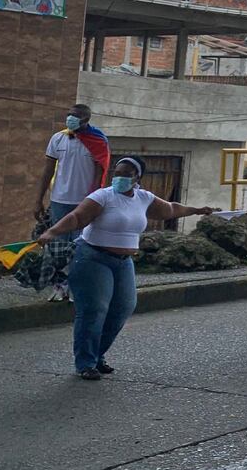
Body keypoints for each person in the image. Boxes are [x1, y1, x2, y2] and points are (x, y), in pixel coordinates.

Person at [37, 156, 215, 379]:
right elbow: (77, 218)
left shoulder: (143, 198)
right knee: (94, 310)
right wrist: (52, 232)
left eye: (126, 174)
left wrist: (197, 210)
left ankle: (97, 355)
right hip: (93, 257)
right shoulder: (102, 196)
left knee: (123, 307)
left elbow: (170, 209)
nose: (119, 178)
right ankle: (86, 363)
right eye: (117, 173)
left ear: (137, 177)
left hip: (123, 262)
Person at [34, 103, 110, 301]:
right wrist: (38, 199)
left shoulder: (97, 140)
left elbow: (100, 172)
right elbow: (47, 170)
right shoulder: (58, 138)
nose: (70, 118)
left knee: (80, 247)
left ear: (86, 119)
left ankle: (76, 286)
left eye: (75, 116)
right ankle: (59, 286)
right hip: (59, 200)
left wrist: (94, 200)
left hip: (84, 202)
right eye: (69, 114)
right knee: (57, 247)